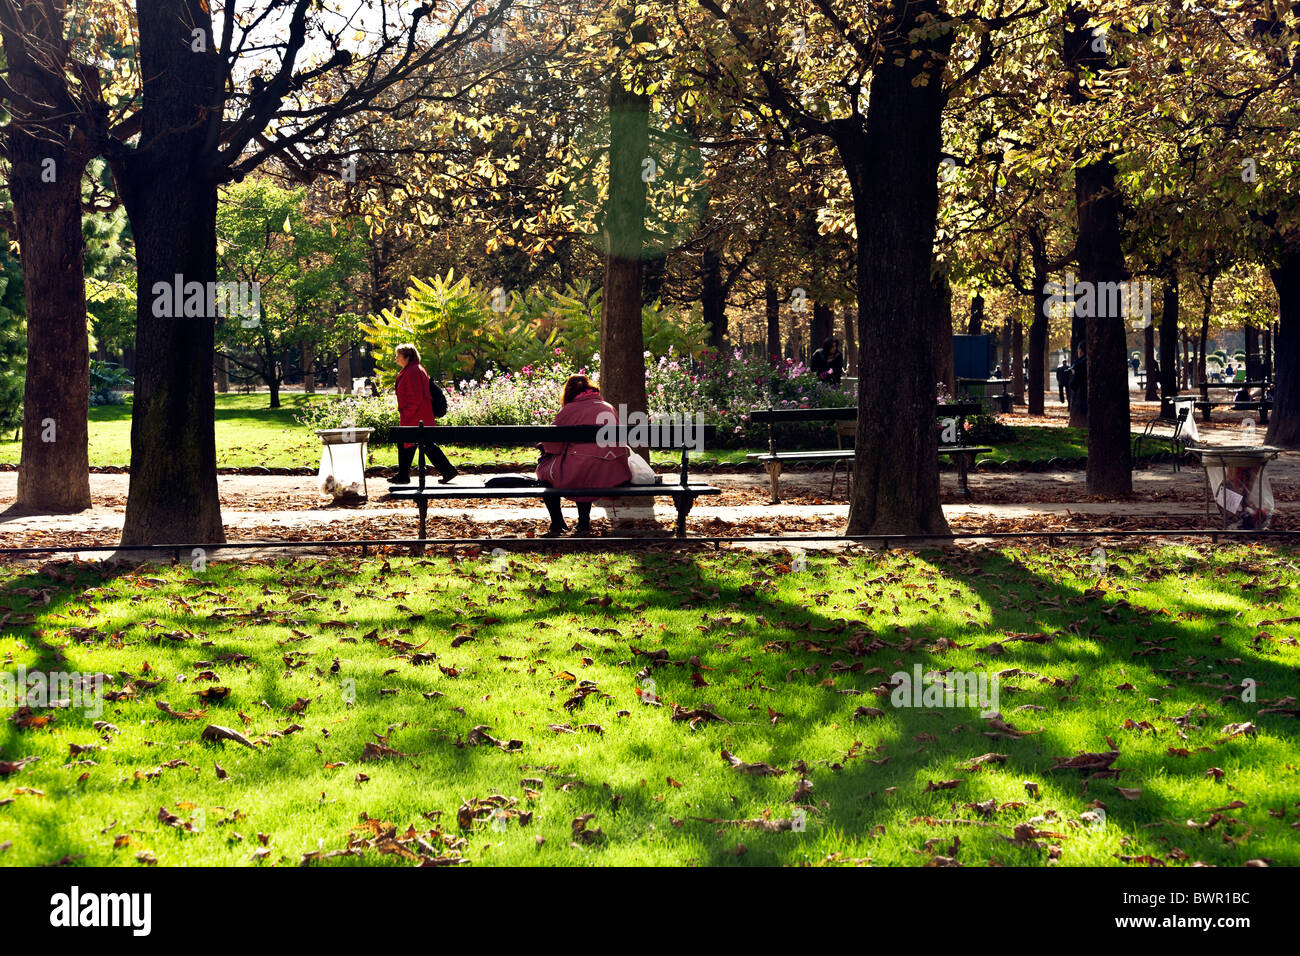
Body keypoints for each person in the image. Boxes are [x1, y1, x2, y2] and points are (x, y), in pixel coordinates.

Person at [536, 375, 633, 536]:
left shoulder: (570, 409)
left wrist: (544, 447)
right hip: (613, 472)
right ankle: (583, 522)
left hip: (583, 471)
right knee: (585, 465)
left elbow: (552, 445)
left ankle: (557, 521)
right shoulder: (608, 407)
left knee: (546, 471)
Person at [390, 343, 457, 485]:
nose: (396, 358)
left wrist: (407, 412)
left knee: (414, 443)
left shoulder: (413, 371)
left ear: (407, 356)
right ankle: (405, 475)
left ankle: (404, 476)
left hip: (416, 416)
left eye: (398, 355)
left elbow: (416, 397)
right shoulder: (413, 369)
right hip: (418, 414)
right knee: (418, 444)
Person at [1069, 343, 1088, 418]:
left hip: (1084, 391)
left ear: (1080, 351)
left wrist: (1074, 373)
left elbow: (1074, 384)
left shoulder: (1080, 364)